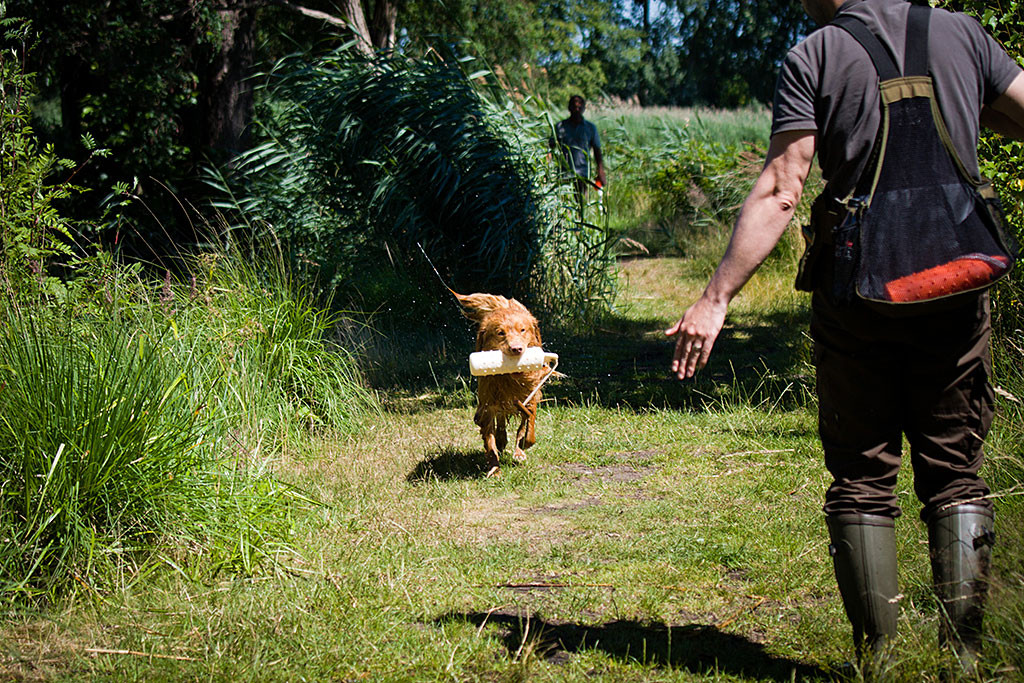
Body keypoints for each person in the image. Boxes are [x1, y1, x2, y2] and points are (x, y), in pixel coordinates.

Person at [664, 0, 1024, 674]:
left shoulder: (817, 54)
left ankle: (879, 664)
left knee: (862, 479)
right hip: (957, 286)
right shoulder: (962, 34)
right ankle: (965, 659)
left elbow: (781, 188)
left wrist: (715, 299)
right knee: (956, 475)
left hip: (858, 296)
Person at [551, 95, 607, 209]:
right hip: (564, 173)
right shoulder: (560, 127)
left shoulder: (590, 128)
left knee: (580, 205)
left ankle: (581, 224)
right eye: (574, 106)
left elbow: (597, 150)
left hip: (582, 173)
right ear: (569, 108)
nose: (577, 109)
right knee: (563, 206)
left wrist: (600, 171)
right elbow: (551, 148)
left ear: (583, 109)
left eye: (579, 107)